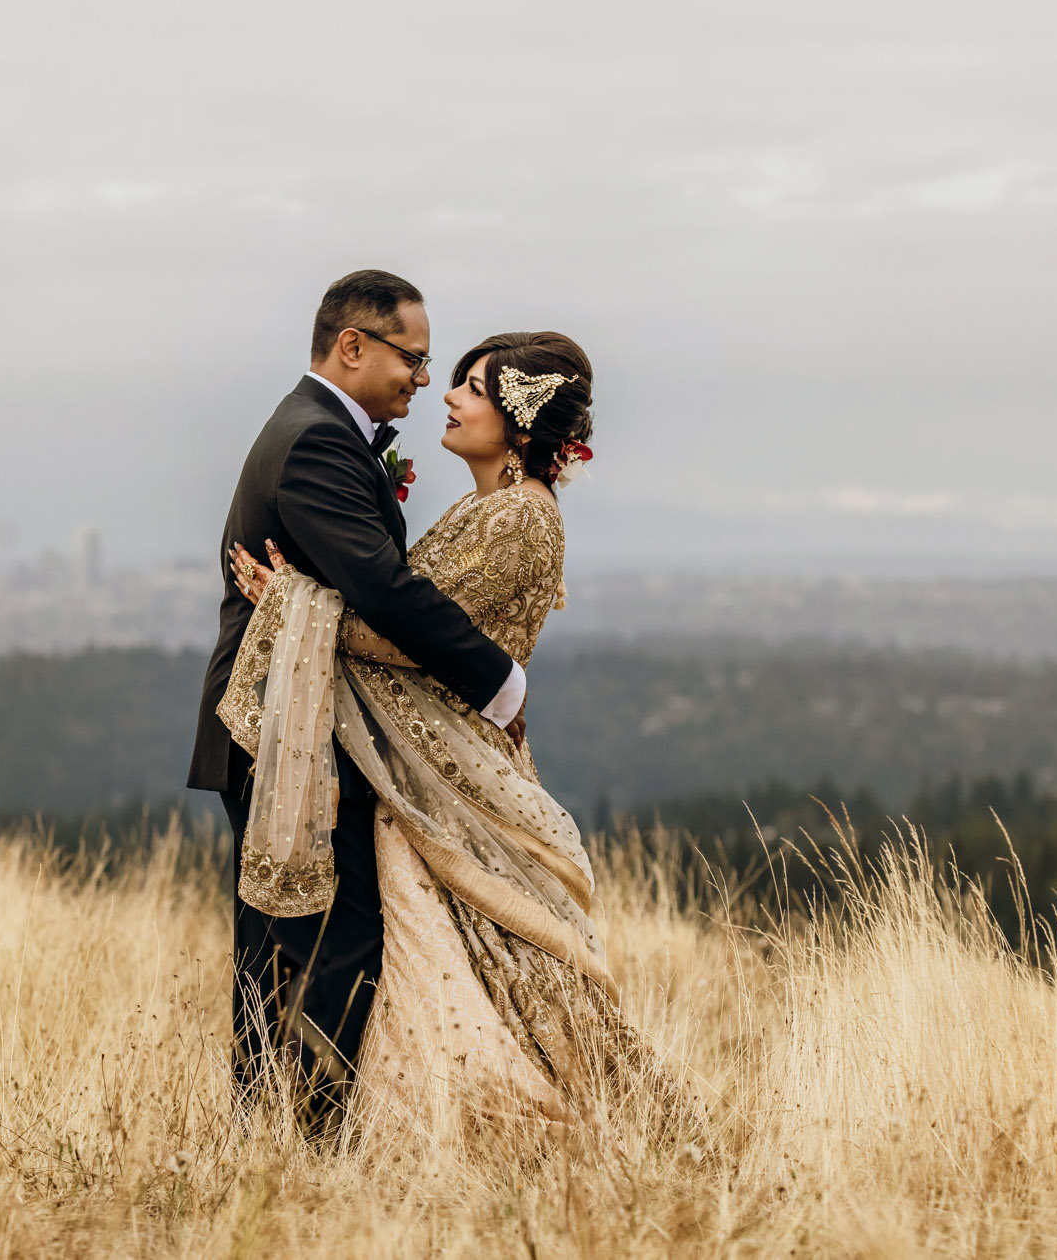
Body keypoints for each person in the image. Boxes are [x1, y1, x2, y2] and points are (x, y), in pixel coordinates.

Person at [222, 329, 690, 1138]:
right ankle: (371, 1125)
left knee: (464, 948)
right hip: (423, 764)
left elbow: (417, 634)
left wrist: (289, 599)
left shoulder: (518, 519)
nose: (449, 395)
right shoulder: (487, 507)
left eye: (473, 386)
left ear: (517, 420)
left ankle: (485, 1123)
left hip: (446, 771)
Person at [187, 269, 528, 1132]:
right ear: (353, 346)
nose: (424, 377)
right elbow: (381, 586)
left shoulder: (319, 432)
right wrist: (498, 679)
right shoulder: (316, 442)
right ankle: (311, 1136)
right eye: (413, 358)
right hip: (289, 731)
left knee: (280, 940)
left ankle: (264, 1129)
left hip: (287, 723)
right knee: (339, 937)